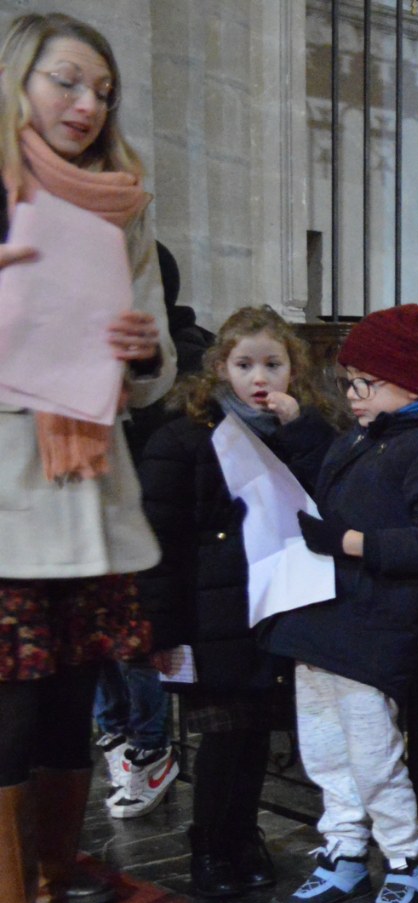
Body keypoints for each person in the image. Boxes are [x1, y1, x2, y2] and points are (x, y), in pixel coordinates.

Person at [0, 11, 174, 903]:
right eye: (67, 82)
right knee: (12, 712)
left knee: (73, 702)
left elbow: (155, 381)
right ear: (20, 83)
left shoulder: (122, 206)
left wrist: (143, 352)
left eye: (102, 90)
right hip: (9, 486)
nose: (85, 105)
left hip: (91, 488)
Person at [263, 304, 418, 903]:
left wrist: (350, 543)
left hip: (374, 621)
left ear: (409, 384)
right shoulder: (368, 434)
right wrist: (299, 427)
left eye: (366, 383)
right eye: (348, 382)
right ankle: (345, 852)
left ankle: (407, 864)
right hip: (324, 617)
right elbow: (330, 475)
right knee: (326, 750)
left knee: (373, 753)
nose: (353, 396)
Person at [136, 306, 336, 899]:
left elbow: (327, 491)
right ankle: (209, 845)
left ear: (292, 370)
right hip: (208, 616)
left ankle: (244, 837)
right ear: (221, 368)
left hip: (274, 605)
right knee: (222, 735)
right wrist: (161, 631)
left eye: (273, 364)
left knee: (256, 736)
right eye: (245, 364)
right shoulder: (183, 436)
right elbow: (161, 539)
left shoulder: (303, 428)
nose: (260, 378)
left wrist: (303, 430)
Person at [92, 244, 212, 827]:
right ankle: (117, 739)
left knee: (138, 643)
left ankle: (150, 747)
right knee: (96, 642)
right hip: (101, 513)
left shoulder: (187, 356)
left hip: (154, 525)